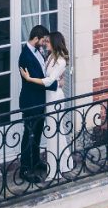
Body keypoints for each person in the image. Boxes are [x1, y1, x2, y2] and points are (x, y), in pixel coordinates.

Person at [21, 31, 71, 178]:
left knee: (55, 131)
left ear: (54, 43)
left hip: (55, 98)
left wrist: (29, 79)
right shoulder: (49, 57)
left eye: (48, 42)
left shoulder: (60, 61)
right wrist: (58, 82)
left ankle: (57, 167)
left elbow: (48, 81)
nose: (45, 44)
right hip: (47, 97)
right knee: (51, 132)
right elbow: (47, 76)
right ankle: (63, 161)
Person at [18, 25, 56, 183]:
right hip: (30, 101)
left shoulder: (37, 51)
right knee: (29, 134)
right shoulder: (25, 56)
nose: (44, 43)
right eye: (43, 40)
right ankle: (25, 168)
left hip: (39, 101)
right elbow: (34, 82)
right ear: (36, 38)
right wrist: (54, 85)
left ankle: (35, 161)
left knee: (37, 132)